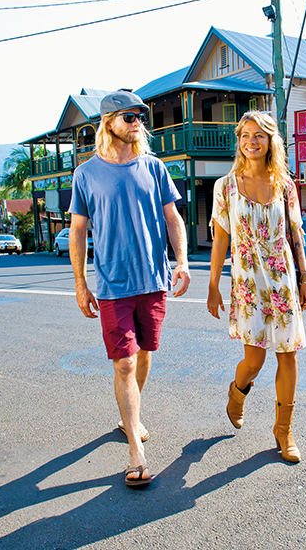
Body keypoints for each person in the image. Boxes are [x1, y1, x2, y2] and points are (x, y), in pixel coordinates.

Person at [69, 89, 190, 488]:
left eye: (140, 116)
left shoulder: (154, 168)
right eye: (128, 117)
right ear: (108, 123)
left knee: (145, 354)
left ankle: (129, 417)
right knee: (124, 362)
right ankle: (136, 454)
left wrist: (183, 262)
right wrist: (81, 283)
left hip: (153, 280)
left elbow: (173, 218)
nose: (137, 122)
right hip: (112, 284)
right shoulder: (85, 173)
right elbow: (78, 231)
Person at [206, 111, 306, 463]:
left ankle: (284, 430)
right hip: (248, 282)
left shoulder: (285, 185)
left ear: (271, 141)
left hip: (282, 281)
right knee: (254, 361)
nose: (252, 142)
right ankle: (238, 392)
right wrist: (213, 285)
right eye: (245, 136)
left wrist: (305, 278)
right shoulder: (226, 186)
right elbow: (220, 238)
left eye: (259, 136)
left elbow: (295, 235)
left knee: (288, 354)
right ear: (239, 141)